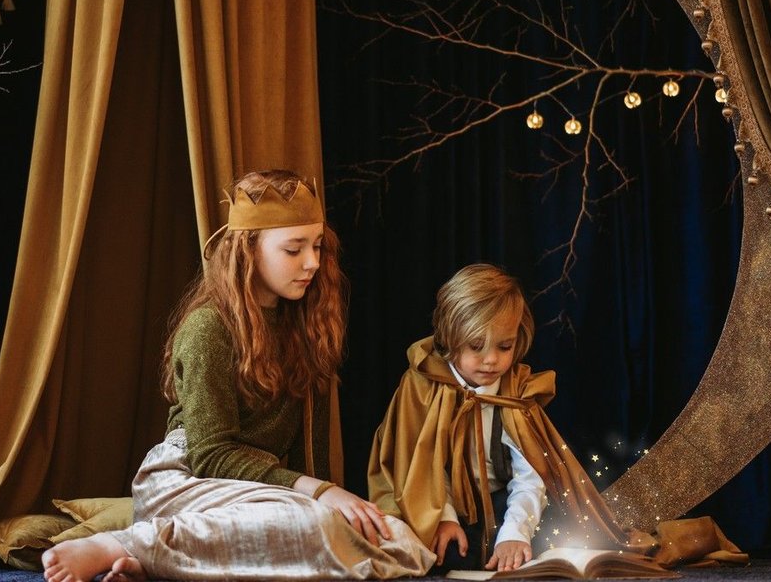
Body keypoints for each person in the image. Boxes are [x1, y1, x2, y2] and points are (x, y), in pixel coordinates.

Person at [42, 170, 433, 582]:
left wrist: (329, 501)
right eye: (294, 249)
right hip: (187, 480)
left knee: (395, 538)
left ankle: (162, 565)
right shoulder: (209, 328)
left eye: (317, 246)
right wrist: (318, 495)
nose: (313, 262)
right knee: (309, 524)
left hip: (259, 490)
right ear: (248, 249)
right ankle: (122, 544)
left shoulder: (309, 330)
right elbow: (211, 455)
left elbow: (309, 457)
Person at [368, 263, 651, 574]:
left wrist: (514, 533)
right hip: (439, 502)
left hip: (503, 502)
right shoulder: (423, 386)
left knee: (563, 531)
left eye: (505, 346)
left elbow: (530, 474)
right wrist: (444, 518)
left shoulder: (516, 391)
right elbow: (423, 467)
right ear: (449, 338)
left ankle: (510, 549)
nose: (491, 360)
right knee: (437, 551)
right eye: (476, 346)